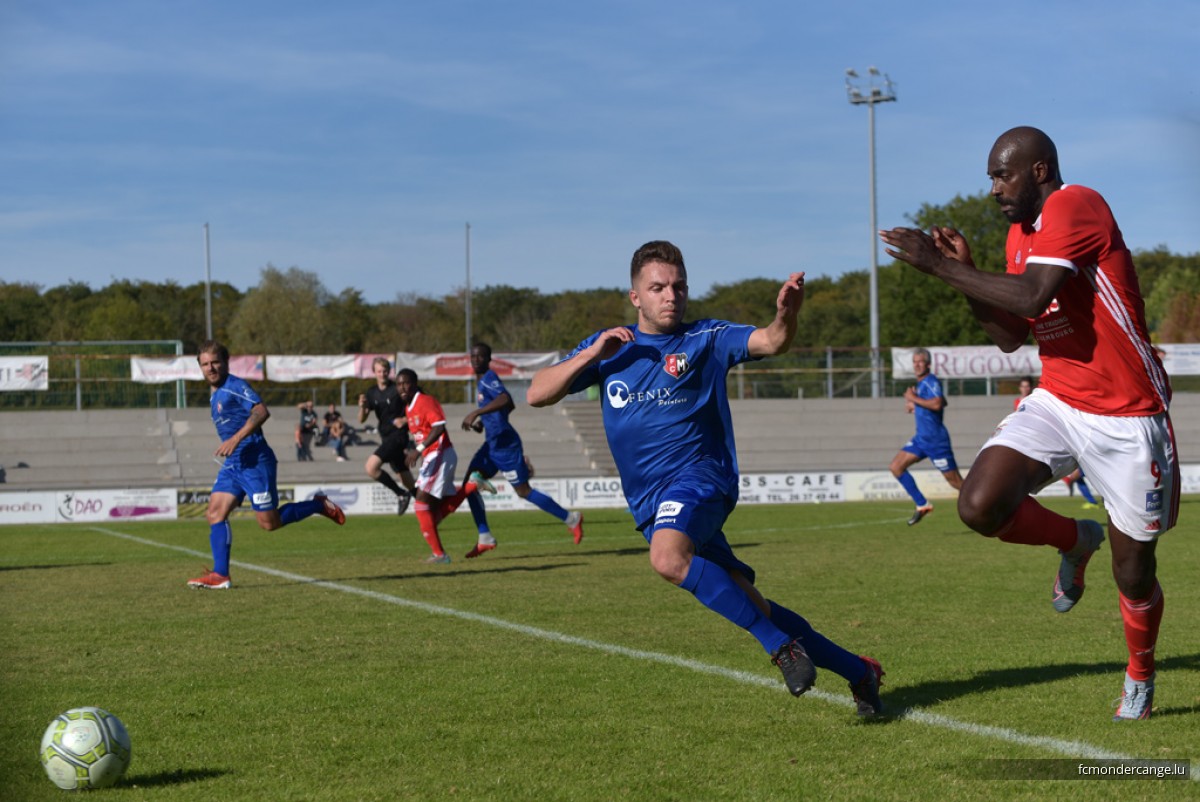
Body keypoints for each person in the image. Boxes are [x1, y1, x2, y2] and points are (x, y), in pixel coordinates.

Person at [879, 126, 1178, 720]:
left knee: (1135, 573)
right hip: (1061, 398)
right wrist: (966, 275)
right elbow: (1014, 335)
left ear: (1039, 170)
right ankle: (1076, 539)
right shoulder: (1020, 235)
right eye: (991, 177)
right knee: (979, 505)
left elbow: (1032, 295)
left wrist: (939, 266)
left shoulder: (1076, 203)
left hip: (1126, 415)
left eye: (1001, 175)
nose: (993, 189)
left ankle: (1140, 674)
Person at [527, 240, 884, 717]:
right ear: (636, 296)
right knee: (750, 600)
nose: (670, 296)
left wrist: (786, 315)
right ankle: (861, 672)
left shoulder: (707, 338)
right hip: (652, 500)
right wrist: (592, 354)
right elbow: (535, 394)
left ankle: (780, 649)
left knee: (667, 559)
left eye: (678, 286)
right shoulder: (610, 349)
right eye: (657, 288)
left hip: (701, 478)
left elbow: (772, 341)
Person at [188, 341, 345, 590]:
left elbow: (261, 411)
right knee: (214, 513)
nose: (211, 368)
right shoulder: (215, 394)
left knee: (269, 523)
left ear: (226, 362)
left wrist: (236, 438)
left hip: (255, 462)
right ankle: (220, 575)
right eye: (205, 364)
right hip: (234, 463)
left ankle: (318, 504)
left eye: (215, 362)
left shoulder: (235, 386)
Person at [458, 341, 585, 558]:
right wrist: (484, 421)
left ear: (488, 360)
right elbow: (509, 406)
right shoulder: (482, 382)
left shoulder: (489, 378)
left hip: (505, 445)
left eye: (480, 357)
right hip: (493, 443)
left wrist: (478, 413)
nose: (475, 360)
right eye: (473, 357)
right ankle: (484, 536)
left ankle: (571, 518)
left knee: (523, 492)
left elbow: (507, 399)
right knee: (468, 486)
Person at [396, 368, 493, 563]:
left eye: (406, 383)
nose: (402, 387)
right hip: (433, 456)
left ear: (414, 383)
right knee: (433, 514)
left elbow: (439, 427)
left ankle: (440, 555)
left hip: (440, 453)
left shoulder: (425, 401)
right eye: (399, 384)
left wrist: (419, 449)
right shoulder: (409, 407)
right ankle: (472, 485)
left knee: (420, 504)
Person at [889, 348, 964, 525]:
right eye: (914, 362)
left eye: (920, 361)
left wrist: (913, 399)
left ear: (928, 364)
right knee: (896, 467)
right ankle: (922, 504)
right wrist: (915, 406)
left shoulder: (930, 380)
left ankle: (991, 501)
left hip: (936, 441)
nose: (917, 365)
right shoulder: (923, 384)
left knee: (956, 483)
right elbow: (941, 401)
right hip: (921, 439)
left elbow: (938, 403)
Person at [358, 358, 415, 515]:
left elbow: (416, 406)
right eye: (379, 371)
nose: (382, 374)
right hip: (385, 437)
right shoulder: (371, 392)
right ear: (374, 372)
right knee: (404, 474)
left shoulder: (397, 388)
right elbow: (361, 419)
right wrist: (362, 408)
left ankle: (401, 494)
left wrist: (405, 420)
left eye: (385, 371)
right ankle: (428, 504)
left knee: (371, 467)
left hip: (398, 437)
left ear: (389, 372)